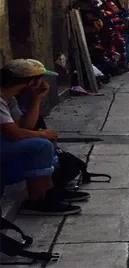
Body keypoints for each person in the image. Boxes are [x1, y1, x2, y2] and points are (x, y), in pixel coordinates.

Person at [0, 59, 82, 216]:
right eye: (40, 80)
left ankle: (49, 191)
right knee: (40, 144)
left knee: (43, 141)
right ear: (31, 82)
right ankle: (37, 199)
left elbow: (25, 127)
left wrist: (36, 99)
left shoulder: (10, 99)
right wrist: (42, 134)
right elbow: (14, 133)